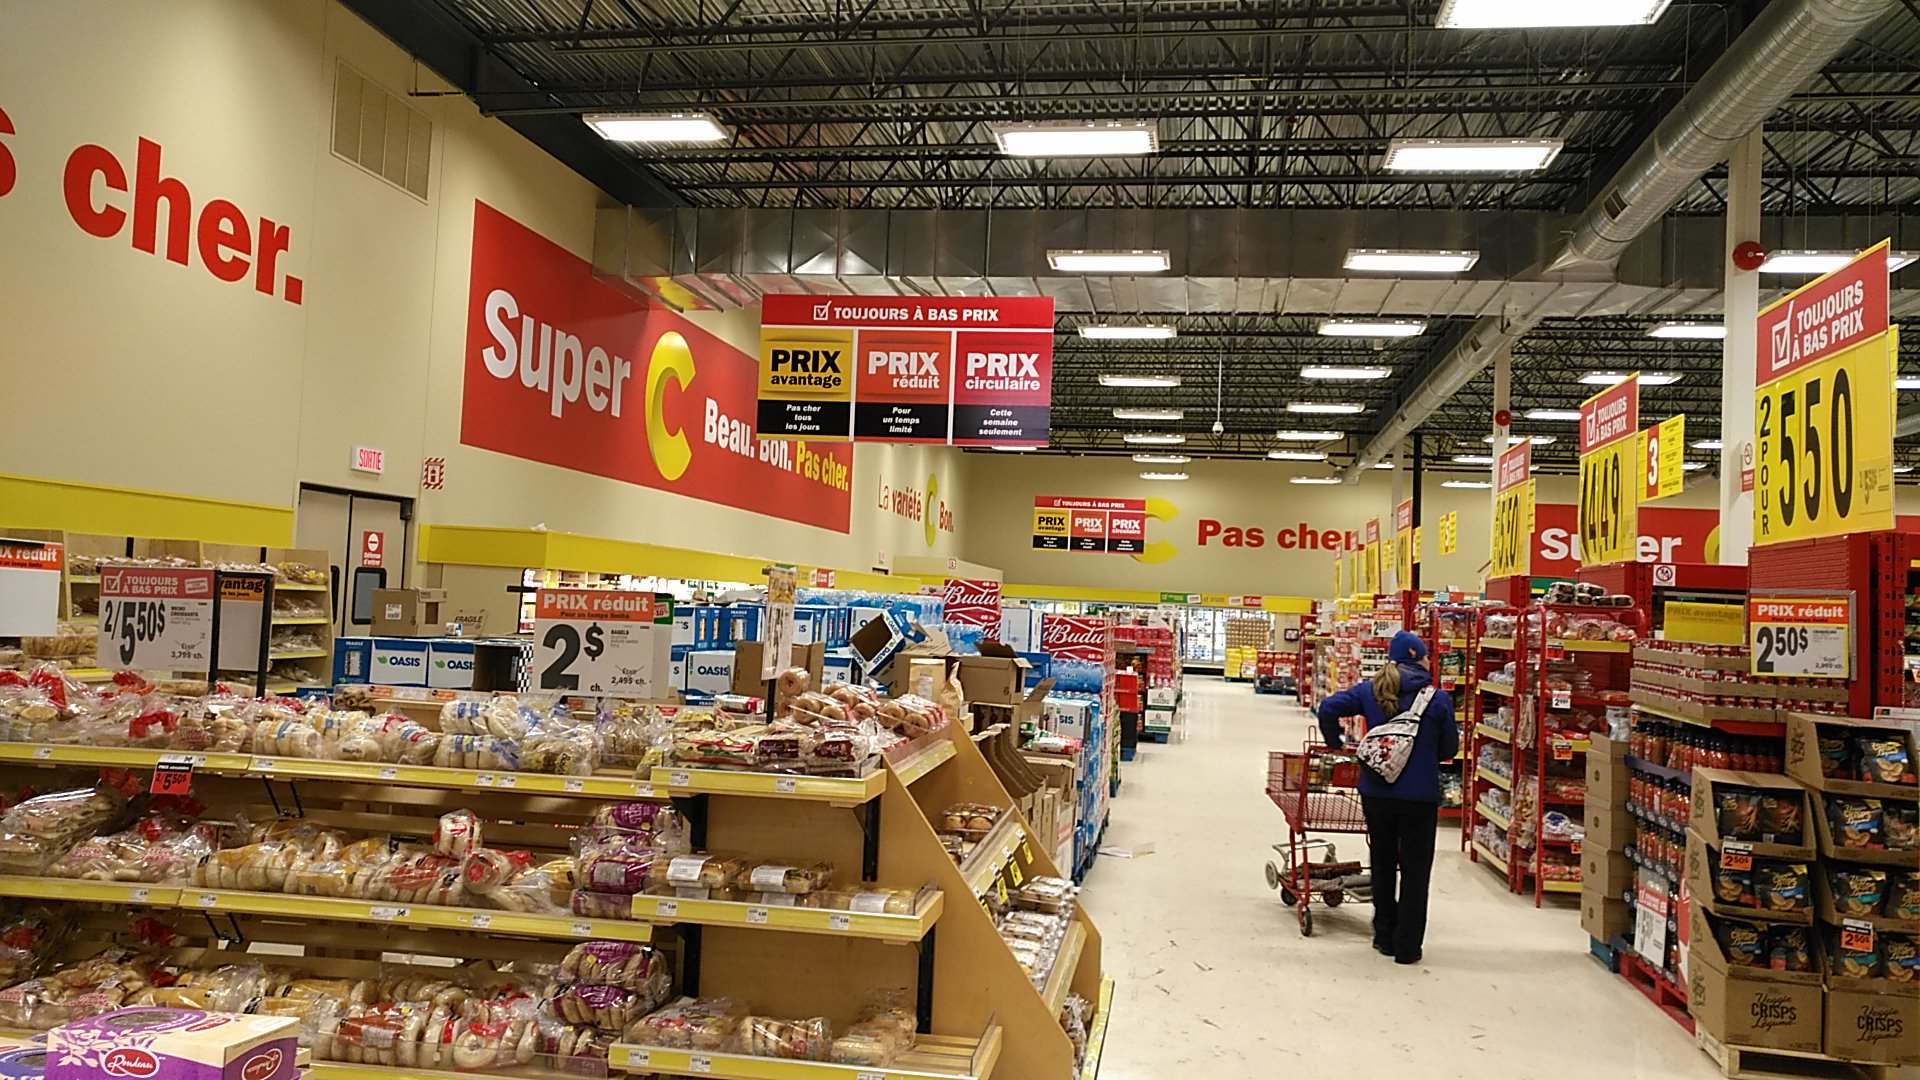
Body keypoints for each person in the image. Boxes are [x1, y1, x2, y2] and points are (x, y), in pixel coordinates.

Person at [1315, 630, 1458, 965]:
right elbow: (1449, 749)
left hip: (1376, 792)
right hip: (1419, 796)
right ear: (1420, 659)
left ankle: (1383, 935)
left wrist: (1335, 743)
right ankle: (1407, 947)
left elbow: (1328, 707)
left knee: (1382, 862)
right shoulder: (1436, 698)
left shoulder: (1371, 690)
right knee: (1415, 870)